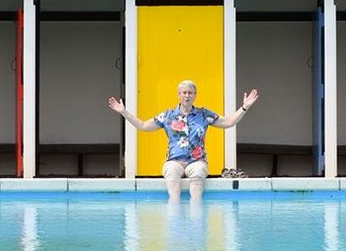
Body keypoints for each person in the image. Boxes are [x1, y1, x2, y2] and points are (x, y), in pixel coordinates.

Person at [108, 80, 259, 201]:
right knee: (171, 174)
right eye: (184, 93)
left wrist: (244, 107)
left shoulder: (203, 114)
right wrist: (124, 112)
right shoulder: (168, 115)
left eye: (191, 93)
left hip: (197, 161)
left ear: (195, 95)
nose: (187, 96)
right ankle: (174, 211)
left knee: (199, 174)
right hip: (175, 160)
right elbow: (143, 126)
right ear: (178, 95)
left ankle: (196, 212)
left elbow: (229, 122)